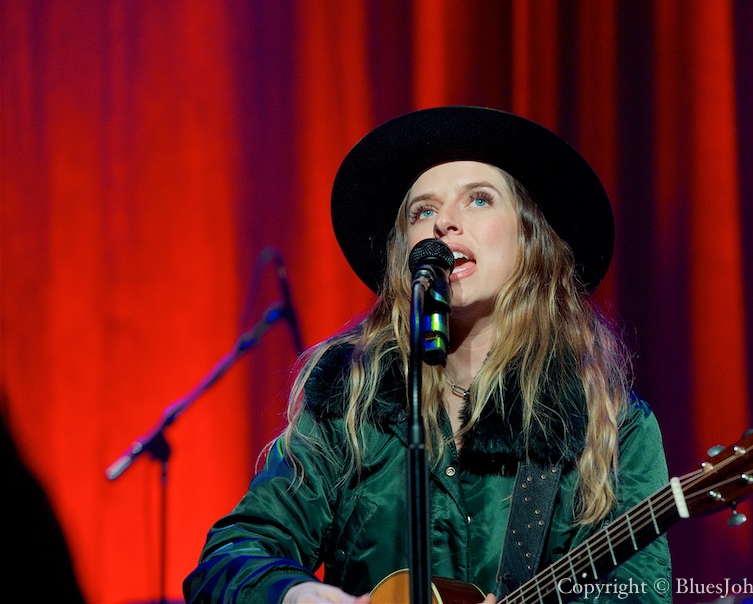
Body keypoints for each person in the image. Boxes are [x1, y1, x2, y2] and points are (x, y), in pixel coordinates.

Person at [183, 106, 672, 603]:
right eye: (424, 211)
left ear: (530, 239)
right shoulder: (351, 399)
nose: (445, 224)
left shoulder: (609, 423)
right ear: (404, 254)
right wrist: (302, 596)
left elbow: (639, 594)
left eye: (479, 200)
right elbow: (231, 556)